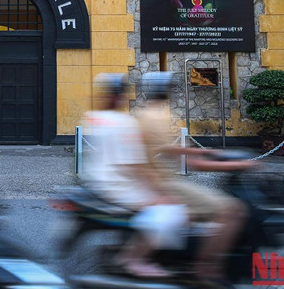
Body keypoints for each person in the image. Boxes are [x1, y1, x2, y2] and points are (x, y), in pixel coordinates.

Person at [137, 71, 254, 286]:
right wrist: (237, 165)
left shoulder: (148, 115)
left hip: (159, 183)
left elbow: (174, 150)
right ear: (166, 91)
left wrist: (203, 151)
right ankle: (206, 268)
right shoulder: (157, 118)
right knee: (233, 211)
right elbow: (190, 162)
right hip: (165, 185)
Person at [82, 73, 181, 279]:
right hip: (119, 186)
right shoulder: (125, 123)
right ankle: (134, 259)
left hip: (96, 181)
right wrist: (161, 193)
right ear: (120, 96)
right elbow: (135, 165)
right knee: (171, 211)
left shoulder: (93, 118)